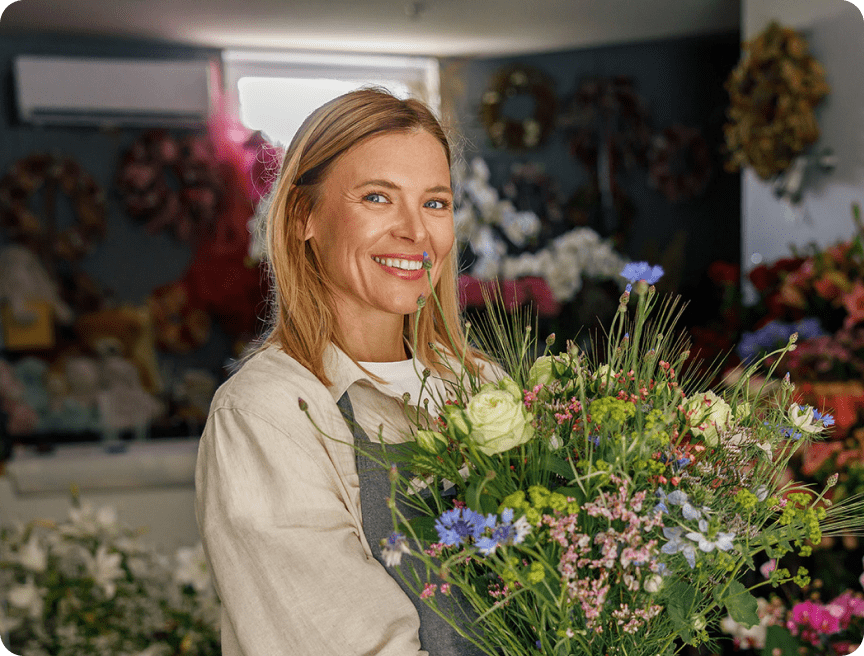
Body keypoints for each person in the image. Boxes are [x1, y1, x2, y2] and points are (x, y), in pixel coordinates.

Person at [195, 88, 493, 656]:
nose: (415, 230)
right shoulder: (266, 414)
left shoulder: (483, 385)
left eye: (435, 202)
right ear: (305, 217)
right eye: (378, 198)